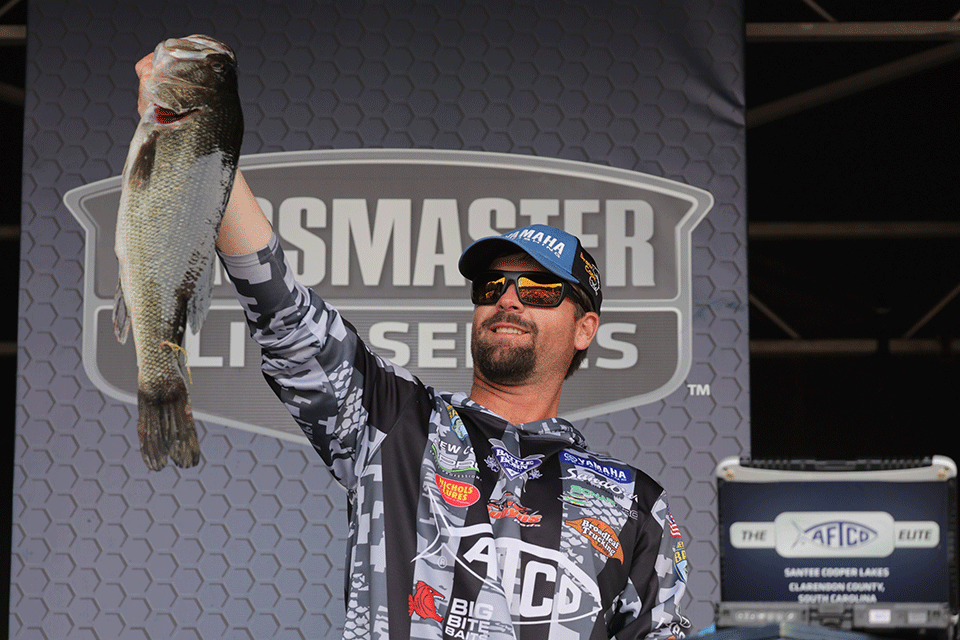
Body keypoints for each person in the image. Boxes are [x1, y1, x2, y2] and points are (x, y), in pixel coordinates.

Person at [137, 54, 691, 640]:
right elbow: (285, 312)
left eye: (539, 289)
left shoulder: (634, 503)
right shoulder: (397, 423)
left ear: (585, 328)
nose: (508, 299)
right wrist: (199, 129)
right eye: (493, 286)